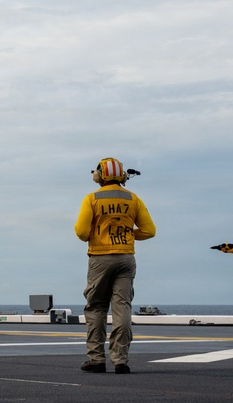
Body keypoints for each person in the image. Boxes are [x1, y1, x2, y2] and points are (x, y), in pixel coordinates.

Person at [74, 157, 156, 374]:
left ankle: (96, 359)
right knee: (122, 307)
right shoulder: (133, 199)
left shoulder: (92, 198)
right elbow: (149, 231)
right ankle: (120, 360)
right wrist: (128, 233)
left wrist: (100, 236)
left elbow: (82, 233)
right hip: (126, 258)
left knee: (97, 307)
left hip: (101, 258)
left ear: (102, 175)